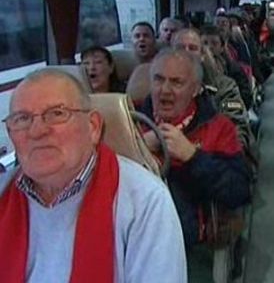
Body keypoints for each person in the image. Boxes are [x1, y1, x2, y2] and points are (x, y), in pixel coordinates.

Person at [0, 69, 186, 282]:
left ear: (93, 127)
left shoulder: (144, 201)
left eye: (57, 113)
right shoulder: (3, 191)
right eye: (22, 119)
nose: (37, 131)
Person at [140, 49, 251, 248]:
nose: (165, 90)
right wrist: (137, 149)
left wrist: (192, 156)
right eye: (158, 80)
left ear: (195, 89)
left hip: (192, 243)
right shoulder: (129, 124)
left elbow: (239, 191)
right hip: (137, 239)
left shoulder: (219, 128)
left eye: (176, 82)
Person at [171, 28, 254, 152]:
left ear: (202, 56)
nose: (186, 53)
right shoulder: (161, 88)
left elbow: (236, 130)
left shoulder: (223, 87)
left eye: (192, 48)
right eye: (180, 48)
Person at [200, 25, 253, 109]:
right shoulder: (195, 71)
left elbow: (246, 98)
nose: (209, 47)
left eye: (214, 43)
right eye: (205, 43)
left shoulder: (234, 69)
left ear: (221, 47)